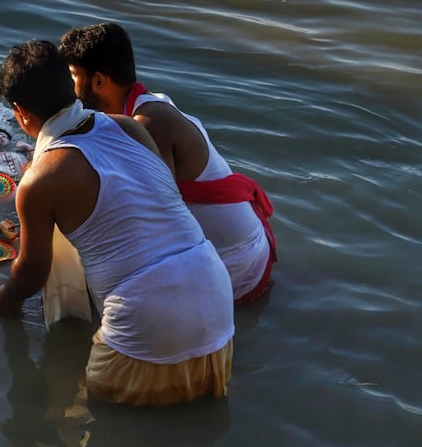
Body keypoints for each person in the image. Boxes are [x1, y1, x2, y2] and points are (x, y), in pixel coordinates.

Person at [0, 39, 234, 406]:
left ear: (21, 114)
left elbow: (32, 272)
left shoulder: (40, 180)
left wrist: (0, 304)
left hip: (144, 317)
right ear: (71, 86)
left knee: (97, 430)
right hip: (215, 298)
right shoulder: (130, 129)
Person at [59, 22, 276, 305]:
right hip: (240, 246)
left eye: (74, 75)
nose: (70, 86)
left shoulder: (148, 124)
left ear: (99, 81)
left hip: (237, 266)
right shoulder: (146, 106)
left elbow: (154, 221)